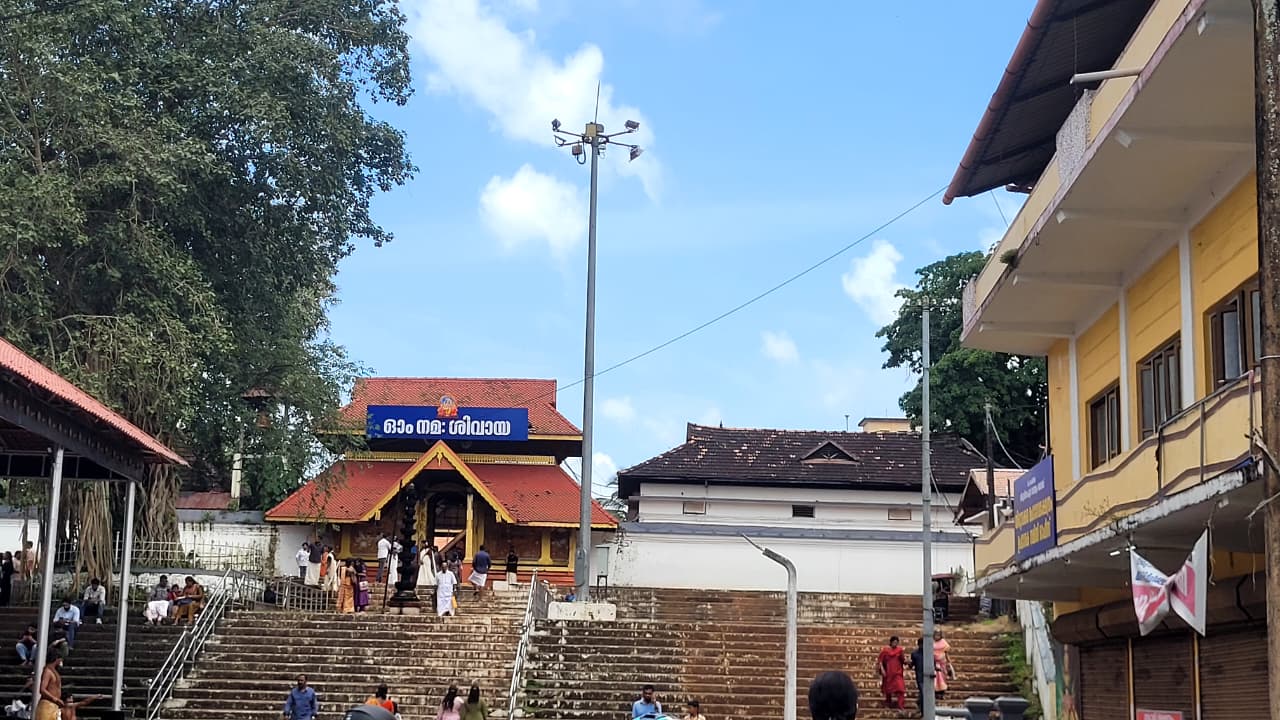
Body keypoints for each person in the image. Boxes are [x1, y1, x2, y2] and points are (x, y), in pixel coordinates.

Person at [875, 636, 906, 710]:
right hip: (888, 673)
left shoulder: (899, 650)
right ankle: (888, 702)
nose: (895, 644)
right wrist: (882, 670)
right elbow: (880, 661)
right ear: (891, 642)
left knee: (900, 689)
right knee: (888, 689)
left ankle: (900, 705)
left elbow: (903, 660)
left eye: (896, 642)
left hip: (897, 673)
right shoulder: (885, 651)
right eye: (894, 642)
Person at [35, 654, 62, 720]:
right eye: (61, 659)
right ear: (56, 659)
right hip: (47, 705)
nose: (61, 661)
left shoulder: (53, 671)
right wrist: (54, 699)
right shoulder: (48, 671)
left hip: (54, 706)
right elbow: (42, 689)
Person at [933, 629, 954, 698]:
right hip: (934, 663)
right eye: (936, 635)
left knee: (942, 677)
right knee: (936, 678)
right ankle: (935, 691)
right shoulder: (931, 642)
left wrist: (949, 662)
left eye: (938, 635)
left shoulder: (943, 642)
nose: (937, 637)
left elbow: (946, 653)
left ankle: (942, 692)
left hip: (942, 663)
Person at [909, 639, 926, 709]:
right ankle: (922, 710)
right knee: (923, 692)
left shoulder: (929, 653)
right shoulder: (914, 654)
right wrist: (909, 663)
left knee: (925, 694)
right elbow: (912, 665)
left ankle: (920, 705)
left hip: (928, 677)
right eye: (921, 644)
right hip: (919, 676)